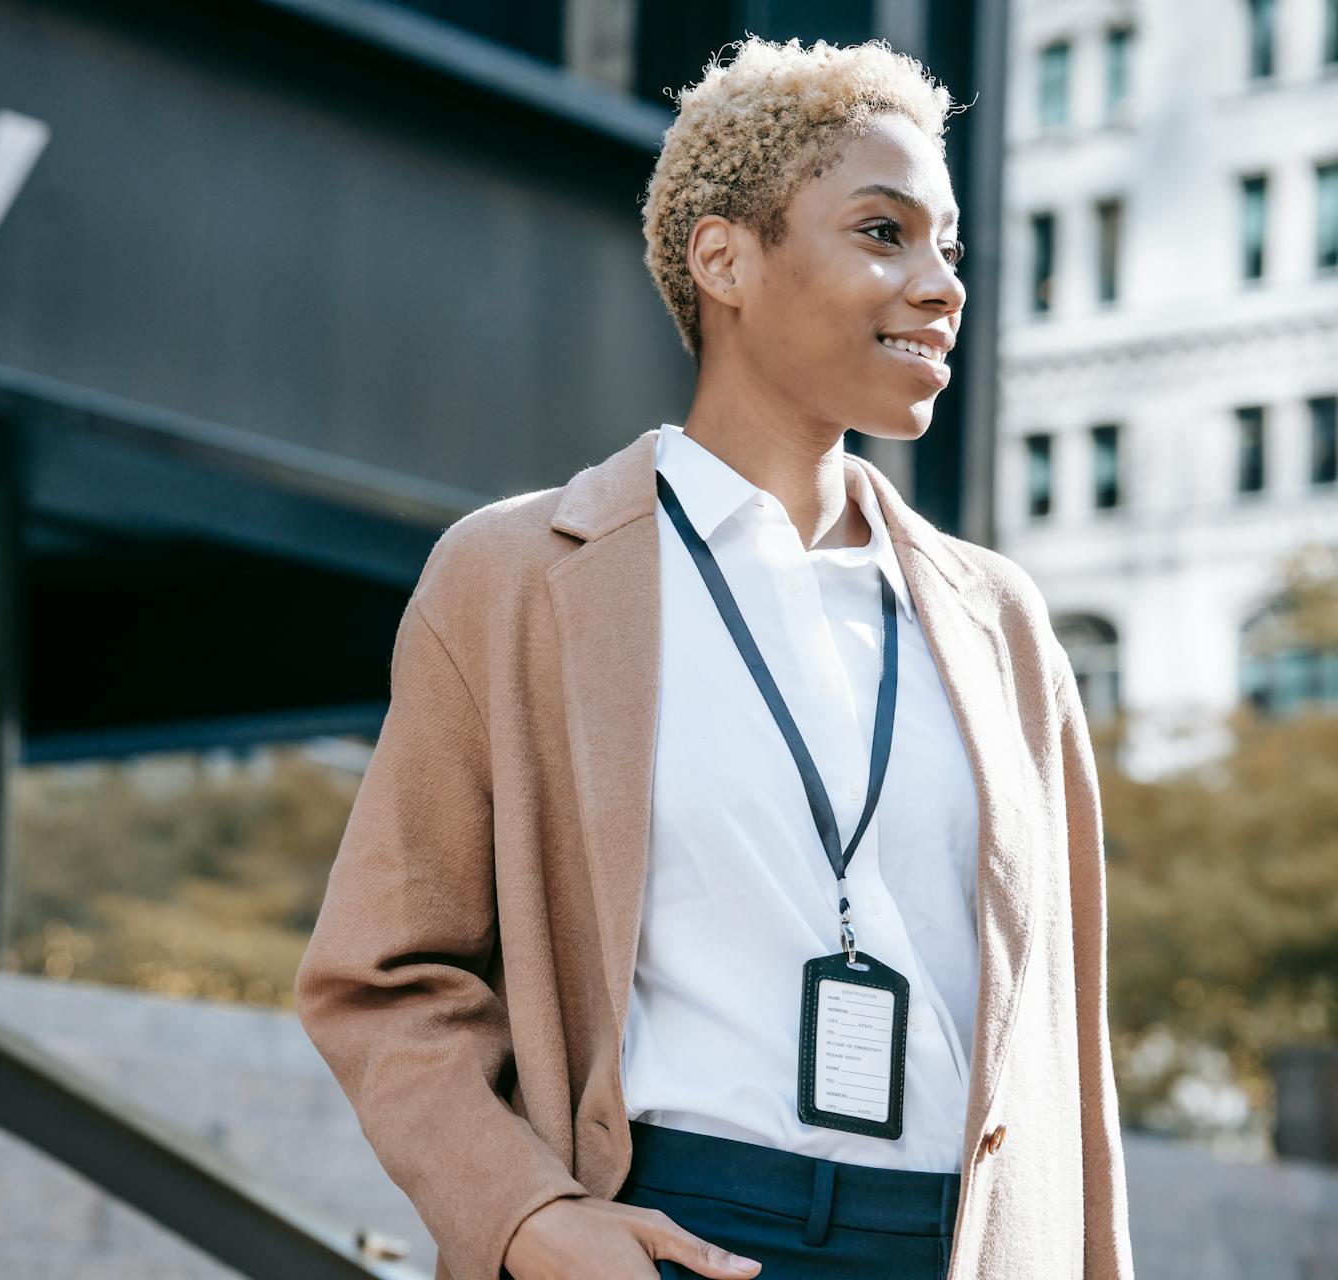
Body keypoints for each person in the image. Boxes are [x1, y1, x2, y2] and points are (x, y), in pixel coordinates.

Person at [294, 35, 1133, 1280]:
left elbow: (1069, 1049)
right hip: (673, 1227)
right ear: (724, 257)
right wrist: (529, 1218)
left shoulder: (1002, 622)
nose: (944, 283)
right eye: (885, 231)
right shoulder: (519, 575)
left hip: (968, 1242)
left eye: (950, 245)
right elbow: (381, 974)